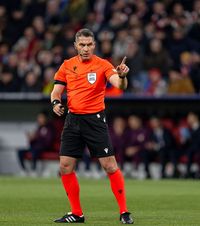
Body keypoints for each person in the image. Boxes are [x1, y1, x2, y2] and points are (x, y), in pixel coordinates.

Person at [51, 28, 133, 224]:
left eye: (89, 44)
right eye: (82, 45)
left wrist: (122, 76)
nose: (86, 48)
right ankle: (77, 213)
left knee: (109, 165)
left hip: (95, 121)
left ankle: (124, 212)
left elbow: (119, 85)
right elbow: (56, 91)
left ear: (94, 45)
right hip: (73, 120)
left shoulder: (103, 65)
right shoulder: (67, 65)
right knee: (65, 166)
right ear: (75, 46)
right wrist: (55, 103)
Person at [17, 111, 54, 177]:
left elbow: (48, 142)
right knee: (20, 151)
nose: (39, 119)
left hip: (43, 148)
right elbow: (32, 143)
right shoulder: (39, 128)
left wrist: (37, 137)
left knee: (35, 151)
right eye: (39, 118)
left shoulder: (49, 127)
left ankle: (33, 170)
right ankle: (24, 170)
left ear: (45, 118)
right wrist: (31, 139)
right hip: (35, 148)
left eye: (41, 117)